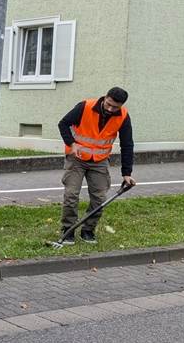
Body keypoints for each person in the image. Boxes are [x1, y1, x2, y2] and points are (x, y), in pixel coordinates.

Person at [57, 87, 135, 244]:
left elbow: (127, 145)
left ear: (121, 105)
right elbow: (63, 124)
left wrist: (126, 173)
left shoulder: (123, 116)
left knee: (99, 198)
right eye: (109, 104)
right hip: (76, 159)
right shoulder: (84, 107)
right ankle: (68, 229)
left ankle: (88, 230)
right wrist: (72, 144)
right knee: (71, 195)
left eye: (115, 107)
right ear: (105, 97)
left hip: (99, 161)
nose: (111, 109)